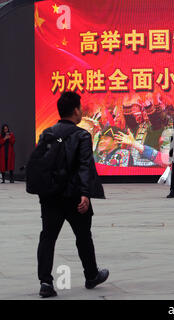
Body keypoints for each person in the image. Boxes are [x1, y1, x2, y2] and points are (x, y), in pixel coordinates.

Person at [35, 92, 108, 298]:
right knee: (83, 237)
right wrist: (85, 193)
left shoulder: (47, 133)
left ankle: (45, 282)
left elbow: (41, 166)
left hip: (50, 197)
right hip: (75, 196)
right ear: (76, 110)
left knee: (47, 238)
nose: (82, 111)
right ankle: (91, 275)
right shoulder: (82, 135)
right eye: (80, 107)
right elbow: (85, 165)